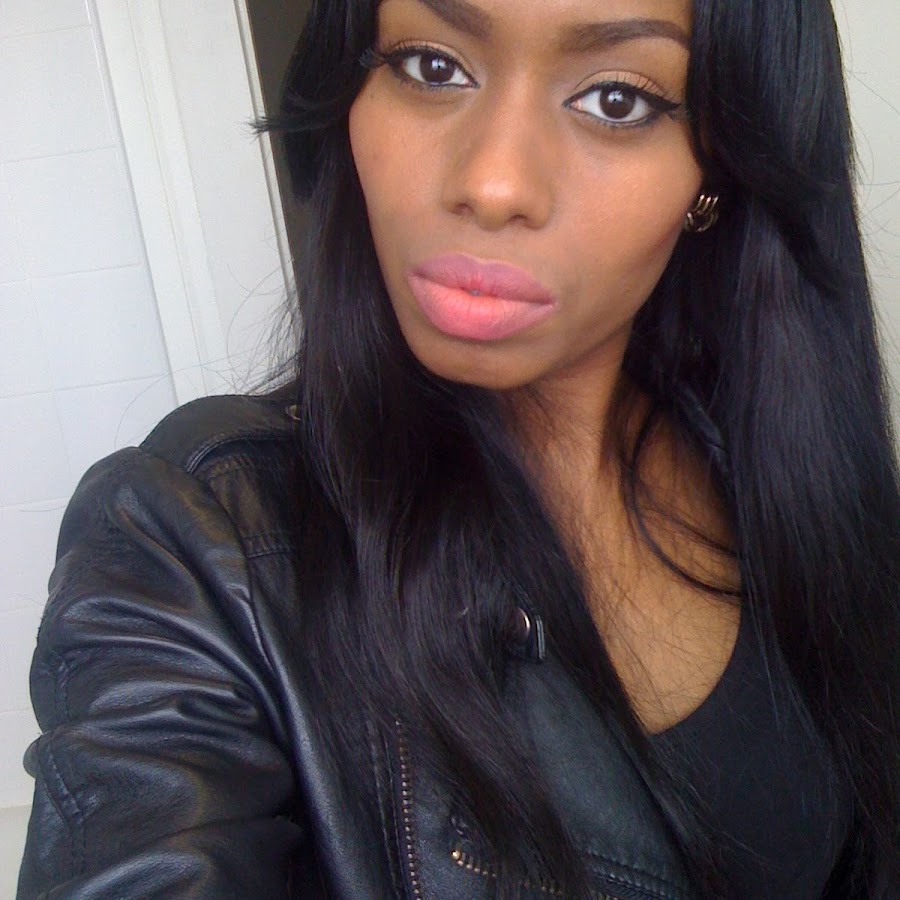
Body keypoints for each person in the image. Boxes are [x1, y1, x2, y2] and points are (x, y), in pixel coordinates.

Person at [16, 0, 899, 897]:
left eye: (617, 100)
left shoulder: (778, 468)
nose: (493, 183)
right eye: (431, 67)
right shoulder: (191, 541)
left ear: (716, 171)